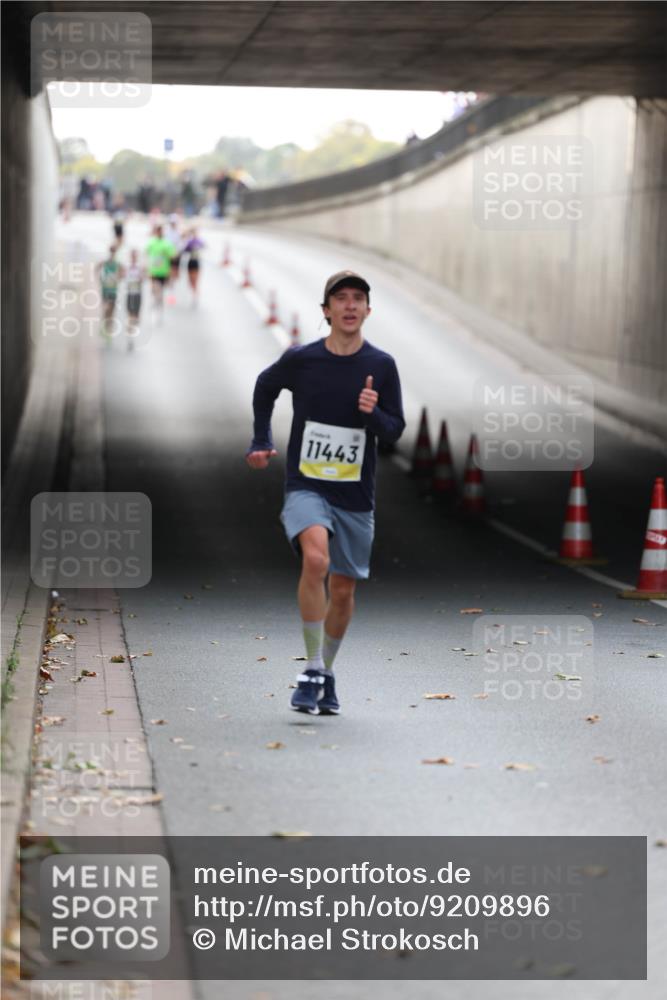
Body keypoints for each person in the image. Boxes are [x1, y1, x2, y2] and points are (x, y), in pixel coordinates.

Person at [246, 271, 405, 715]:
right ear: (326, 310)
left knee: (344, 588)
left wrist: (373, 417)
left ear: (368, 311)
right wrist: (261, 439)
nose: (350, 306)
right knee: (316, 559)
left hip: (355, 493)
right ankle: (312, 668)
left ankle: (327, 672)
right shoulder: (303, 359)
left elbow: (395, 433)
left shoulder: (382, 366)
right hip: (307, 483)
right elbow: (265, 386)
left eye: (358, 299)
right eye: (341, 299)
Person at [145, 224, 175, 320]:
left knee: (160, 290)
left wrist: (167, 254)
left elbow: (173, 256)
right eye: (158, 231)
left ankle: (159, 307)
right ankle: (156, 302)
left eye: (161, 231)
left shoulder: (166, 243)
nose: (160, 233)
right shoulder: (152, 242)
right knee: (154, 289)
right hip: (153, 271)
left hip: (163, 271)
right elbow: (146, 253)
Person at [96, 244, 123, 338]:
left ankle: (108, 330)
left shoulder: (117, 264)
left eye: (114, 252)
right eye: (111, 252)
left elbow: (123, 274)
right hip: (105, 289)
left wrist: (118, 278)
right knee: (106, 308)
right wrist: (100, 279)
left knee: (111, 311)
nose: (112, 253)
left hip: (113, 290)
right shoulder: (105, 262)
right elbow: (97, 268)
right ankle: (105, 327)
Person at [124, 249, 145, 350]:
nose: (133, 258)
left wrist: (141, 276)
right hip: (130, 294)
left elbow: (143, 279)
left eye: (135, 256)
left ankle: (132, 333)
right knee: (130, 316)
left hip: (137, 294)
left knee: (136, 318)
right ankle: (130, 338)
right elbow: (122, 277)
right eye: (132, 256)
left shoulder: (139, 267)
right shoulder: (127, 267)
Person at [181, 227, 205, 304]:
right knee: (190, 281)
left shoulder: (199, 241)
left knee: (195, 280)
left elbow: (204, 246)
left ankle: (195, 294)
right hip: (190, 262)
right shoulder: (190, 242)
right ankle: (194, 292)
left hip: (196, 262)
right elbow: (184, 250)